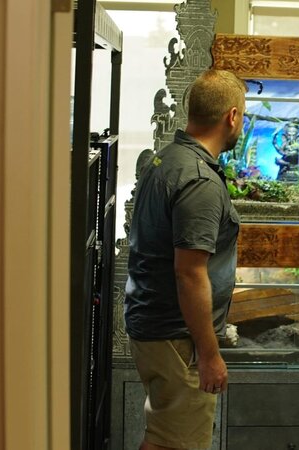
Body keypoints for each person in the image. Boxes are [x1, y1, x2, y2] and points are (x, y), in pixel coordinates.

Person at [124, 69, 247, 450]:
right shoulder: (199, 180)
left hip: (156, 326)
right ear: (232, 116)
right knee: (174, 444)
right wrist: (209, 355)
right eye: (244, 113)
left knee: (164, 437)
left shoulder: (167, 159)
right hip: (177, 338)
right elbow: (189, 274)